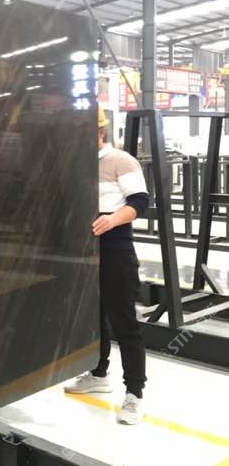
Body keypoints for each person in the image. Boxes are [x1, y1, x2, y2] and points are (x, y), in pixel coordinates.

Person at [64, 107, 149, 425]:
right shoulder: (78, 165)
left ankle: (135, 394)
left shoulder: (121, 161)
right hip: (84, 251)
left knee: (124, 321)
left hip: (115, 248)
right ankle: (99, 374)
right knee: (92, 316)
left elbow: (140, 202)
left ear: (100, 131)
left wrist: (112, 220)